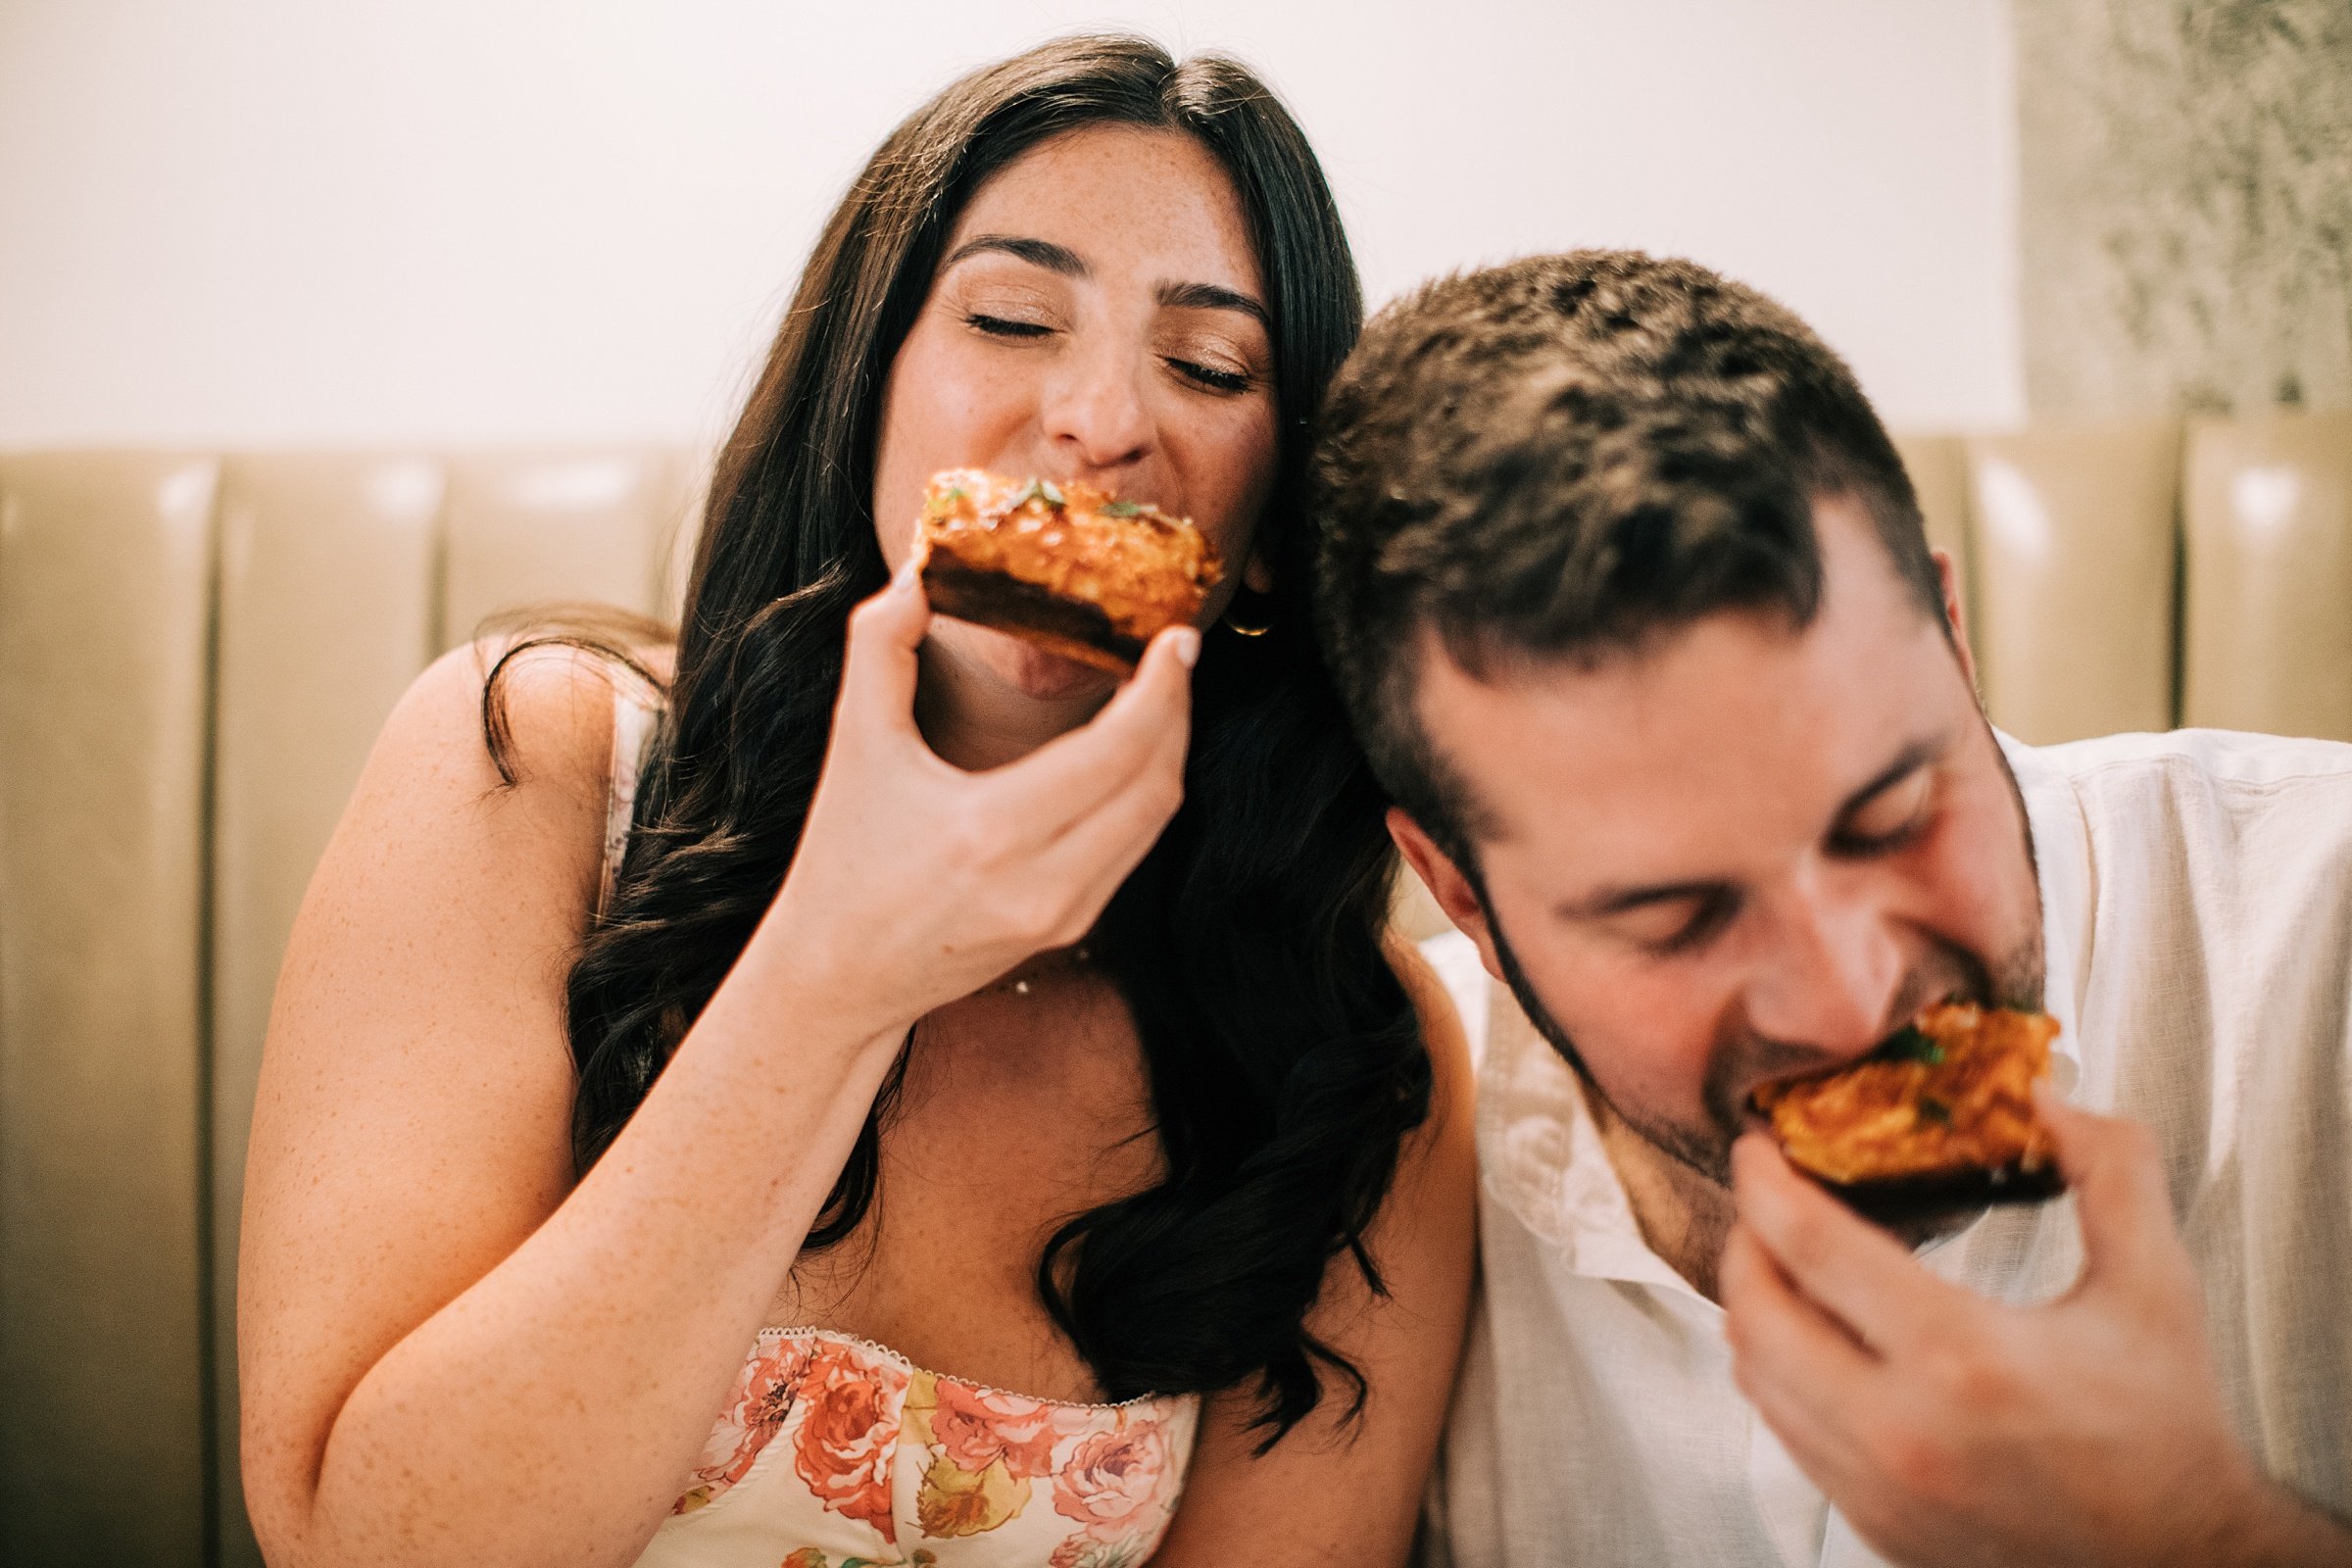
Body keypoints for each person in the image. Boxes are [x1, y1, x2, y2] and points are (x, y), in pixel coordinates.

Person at [237, 37, 1474, 1568]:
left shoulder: (1354, 1056)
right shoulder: (533, 765)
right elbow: (359, 1548)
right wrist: (840, 964)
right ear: (867, 389)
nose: (1099, 420)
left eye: (1211, 366)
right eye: (1014, 316)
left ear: (1274, 531)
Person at [1310, 249, 2352, 1567]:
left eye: (1895, 816)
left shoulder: (2327, 929)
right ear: (1463, 894)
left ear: (1954, 641)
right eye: (1676, 915)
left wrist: (2195, 1536)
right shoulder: (1361, 1170)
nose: (1852, 996)